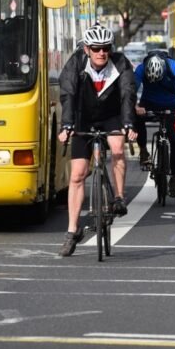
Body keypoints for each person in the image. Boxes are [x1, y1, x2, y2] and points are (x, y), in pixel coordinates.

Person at [57, 24, 138, 257]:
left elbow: (127, 94)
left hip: (111, 116)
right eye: (96, 48)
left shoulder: (120, 63)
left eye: (105, 48)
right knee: (78, 174)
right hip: (83, 118)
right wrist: (67, 125)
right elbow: (68, 94)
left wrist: (129, 123)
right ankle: (72, 230)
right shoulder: (75, 63)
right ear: (86, 49)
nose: (102, 53)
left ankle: (120, 198)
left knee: (117, 148)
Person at [133, 50, 175, 197]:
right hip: (148, 103)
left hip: (172, 104)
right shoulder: (141, 69)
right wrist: (136, 107)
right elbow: (131, 91)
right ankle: (143, 150)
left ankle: (174, 178)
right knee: (136, 119)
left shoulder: (174, 67)